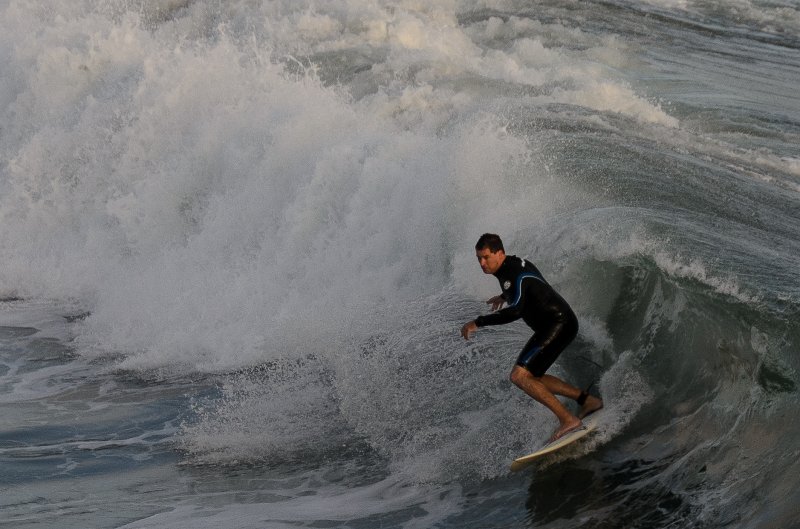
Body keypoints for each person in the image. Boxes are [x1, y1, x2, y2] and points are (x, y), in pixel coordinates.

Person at [461, 233, 603, 442]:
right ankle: (588, 400)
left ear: (500, 253)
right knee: (533, 377)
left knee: (519, 376)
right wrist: (503, 296)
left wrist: (478, 322)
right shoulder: (512, 265)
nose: (482, 263)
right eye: (478, 259)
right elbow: (529, 282)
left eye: (486, 257)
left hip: (558, 324)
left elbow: (517, 310)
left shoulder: (511, 274)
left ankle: (568, 420)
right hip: (557, 323)